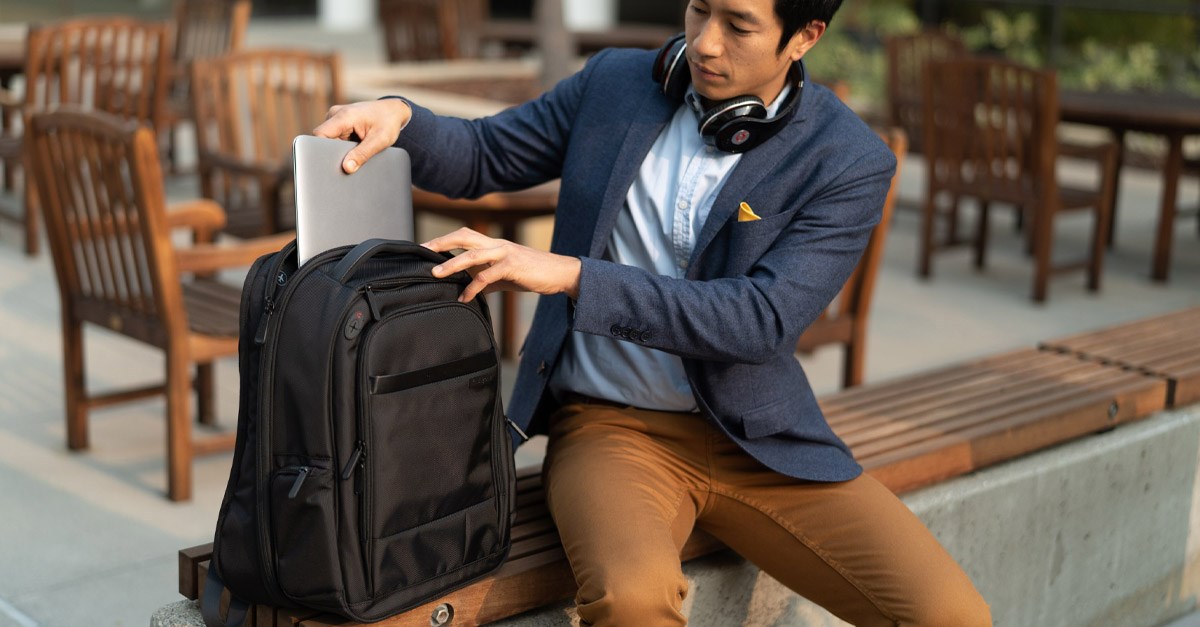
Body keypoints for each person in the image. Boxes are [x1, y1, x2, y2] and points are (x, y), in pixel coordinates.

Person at [315, 0, 991, 624]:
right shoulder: (616, 83)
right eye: (698, 8)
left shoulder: (847, 159)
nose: (705, 42)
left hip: (758, 438)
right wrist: (401, 117)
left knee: (955, 616)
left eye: (739, 24)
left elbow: (760, 319)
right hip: (610, 429)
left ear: (805, 36)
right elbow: (487, 154)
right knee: (633, 601)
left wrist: (578, 277)